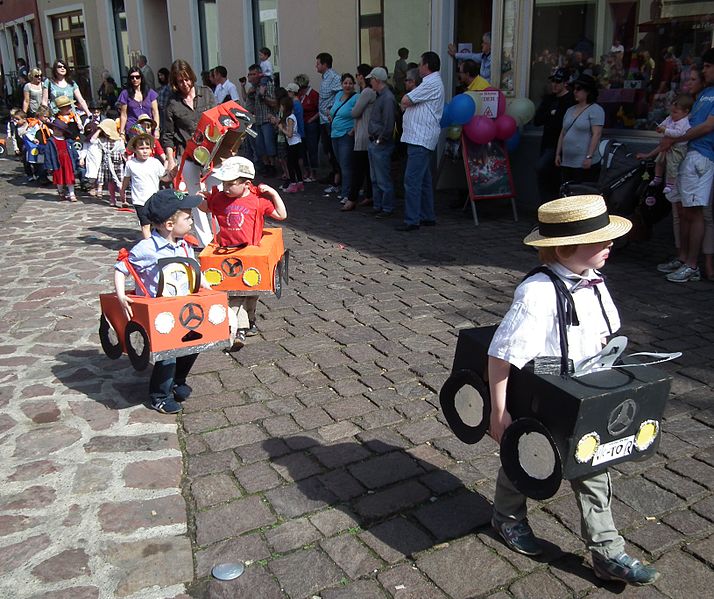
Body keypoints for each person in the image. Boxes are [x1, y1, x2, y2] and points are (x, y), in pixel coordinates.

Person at [488, 195, 660, 587]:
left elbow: (603, 337)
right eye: (600, 240)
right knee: (532, 459)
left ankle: (606, 550)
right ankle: (506, 517)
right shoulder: (537, 294)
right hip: (545, 385)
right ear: (566, 248)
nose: (610, 244)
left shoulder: (594, 281)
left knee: (591, 463)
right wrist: (499, 412)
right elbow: (502, 355)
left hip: (585, 388)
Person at [114, 189, 207, 414]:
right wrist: (120, 294)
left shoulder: (185, 244)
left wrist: (208, 288)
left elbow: (195, 271)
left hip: (185, 308)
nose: (192, 221)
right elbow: (121, 268)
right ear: (168, 224)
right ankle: (160, 395)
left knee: (193, 346)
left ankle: (178, 380)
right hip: (161, 312)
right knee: (168, 355)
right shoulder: (147, 248)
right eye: (187, 217)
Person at [199, 156, 287, 346]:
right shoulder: (220, 198)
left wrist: (272, 193)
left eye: (231, 184)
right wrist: (200, 198)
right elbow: (206, 208)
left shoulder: (257, 201)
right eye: (224, 183)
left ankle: (251, 320)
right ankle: (239, 330)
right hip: (227, 253)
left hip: (250, 253)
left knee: (250, 292)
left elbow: (281, 215)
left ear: (246, 184)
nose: (226, 188)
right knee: (235, 294)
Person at [657, 49, 714, 283]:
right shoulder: (703, 94)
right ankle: (685, 260)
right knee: (686, 212)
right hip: (690, 155)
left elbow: (709, 126)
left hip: (702, 156)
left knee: (696, 212)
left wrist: (678, 138)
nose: (704, 71)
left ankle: (693, 265)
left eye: (708, 66)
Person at [161, 59, 216, 246]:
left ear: (191, 77)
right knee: (195, 198)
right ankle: (205, 241)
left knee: (216, 193)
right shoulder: (172, 104)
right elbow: (167, 135)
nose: (185, 84)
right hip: (189, 155)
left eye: (186, 80)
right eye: (179, 81)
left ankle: (220, 236)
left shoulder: (206, 93)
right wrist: (170, 160)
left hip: (212, 153)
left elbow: (218, 119)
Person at [398, 51, 444, 231]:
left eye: (420, 63)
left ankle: (412, 219)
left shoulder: (431, 82)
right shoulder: (430, 82)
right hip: (420, 137)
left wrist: (406, 103)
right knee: (423, 179)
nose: (418, 67)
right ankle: (427, 215)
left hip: (420, 137)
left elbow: (406, 99)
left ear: (427, 65)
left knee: (412, 180)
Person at [637, 94, 692, 198]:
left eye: (675, 112)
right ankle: (658, 177)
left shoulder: (683, 122)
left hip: (677, 149)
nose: (672, 115)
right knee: (659, 161)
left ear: (686, 112)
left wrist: (665, 130)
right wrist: (660, 127)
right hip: (667, 146)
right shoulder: (671, 118)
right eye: (671, 112)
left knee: (672, 166)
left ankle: (670, 184)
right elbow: (665, 122)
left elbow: (678, 133)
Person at [534, 67, 576, 204]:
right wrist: (550, 114)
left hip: (564, 144)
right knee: (544, 173)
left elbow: (563, 122)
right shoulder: (549, 99)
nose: (554, 85)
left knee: (555, 174)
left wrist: (554, 115)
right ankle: (546, 204)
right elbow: (537, 120)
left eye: (558, 82)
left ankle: (556, 204)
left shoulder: (570, 100)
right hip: (548, 143)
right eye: (553, 81)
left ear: (565, 83)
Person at [555, 73, 604, 185]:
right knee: (567, 192)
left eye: (578, 89)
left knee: (581, 194)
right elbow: (563, 133)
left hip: (583, 162)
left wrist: (589, 156)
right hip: (567, 161)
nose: (575, 92)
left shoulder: (595, 110)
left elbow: (596, 134)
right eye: (574, 89)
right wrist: (558, 153)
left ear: (588, 91)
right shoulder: (570, 110)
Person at [120, 133, 172, 239]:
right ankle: (149, 247)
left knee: (157, 224)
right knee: (145, 225)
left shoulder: (155, 162)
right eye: (141, 148)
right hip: (139, 200)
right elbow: (126, 179)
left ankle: (156, 242)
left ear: (151, 150)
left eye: (147, 148)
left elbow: (164, 178)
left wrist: (171, 173)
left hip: (154, 199)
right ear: (135, 150)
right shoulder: (131, 164)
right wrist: (122, 191)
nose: (145, 151)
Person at [341, 64, 375, 212]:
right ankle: (369, 195)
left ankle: (352, 198)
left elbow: (355, 112)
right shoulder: (365, 91)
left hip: (363, 137)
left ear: (361, 76)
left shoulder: (367, 92)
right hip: (362, 133)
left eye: (357, 75)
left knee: (358, 169)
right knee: (366, 169)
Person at [329, 73, 359, 202]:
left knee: (346, 164)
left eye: (350, 83)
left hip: (346, 134)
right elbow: (334, 110)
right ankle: (345, 188)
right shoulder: (338, 95)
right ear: (342, 84)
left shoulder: (356, 97)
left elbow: (359, 115)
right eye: (345, 83)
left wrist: (353, 130)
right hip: (335, 133)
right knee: (340, 164)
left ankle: (347, 194)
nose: (348, 85)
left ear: (354, 84)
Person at [245, 64, 278, 175]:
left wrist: (263, 97)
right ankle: (266, 166)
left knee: (269, 146)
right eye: (249, 74)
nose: (251, 77)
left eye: (253, 74)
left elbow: (274, 102)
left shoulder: (267, 84)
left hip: (267, 120)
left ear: (259, 74)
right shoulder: (255, 87)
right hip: (257, 120)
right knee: (260, 146)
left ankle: (273, 167)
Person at [316, 52, 342, 190]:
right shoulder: (325, 78)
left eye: (318, 63)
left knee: (333, 150)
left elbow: (342, 94)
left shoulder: (334, 77)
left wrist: (332, 109)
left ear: (325, 64)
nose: (316, 66)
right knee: (327, 149)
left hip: (329, 120)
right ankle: (333, 174)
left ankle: (338, 179)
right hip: (323, 120)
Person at [118, 66, 160, 141]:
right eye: (132, 77)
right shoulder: (125, 94)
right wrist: (121, 133)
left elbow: (155, 112)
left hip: (148, 128)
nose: (135, 79)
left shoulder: (150, 93)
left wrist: (157, 129)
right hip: (133, 128)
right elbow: (123, 115)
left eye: (137, 77)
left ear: (141, 78)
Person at [93, 118, 126, 206]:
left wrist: (127, 161)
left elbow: (123, 153)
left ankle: (123, 199)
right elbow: (92, 140)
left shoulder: (119, 141)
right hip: (107, 164)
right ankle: (112, 198)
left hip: (118, 164)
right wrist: (99, 130)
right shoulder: (103, 141)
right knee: (110, 182)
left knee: (121, 182)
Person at [45, 119, 79, 202]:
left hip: (68, 162)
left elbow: (74, 152)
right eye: (56, 129)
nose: (58, 131)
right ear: (53, 128)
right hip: (57, 163)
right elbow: (48, 154)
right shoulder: (50, 141)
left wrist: (77, 159)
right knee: (59, 179)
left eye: (60, 130)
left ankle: (72, 194)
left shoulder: (68, 141)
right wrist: (49, 166)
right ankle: (61, 192)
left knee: (70, 178)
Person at [274, 95, 304, 192]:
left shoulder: (289, 118)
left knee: (291, 164)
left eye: (282, 106)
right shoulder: (291, 117)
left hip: (293, 144)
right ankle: (300, 183)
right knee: (295, 164)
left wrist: (282, 128)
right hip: (296, 142)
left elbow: (290, 134)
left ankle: (293, 184)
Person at [295, 74, 320, 182]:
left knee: (312, 148)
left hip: (311, 124)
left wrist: (312, 119)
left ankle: (314, 172)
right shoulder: (300, 95)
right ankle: (306, 171)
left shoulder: (314, 94)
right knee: (303, 148)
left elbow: (320, 110)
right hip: (302, 124)